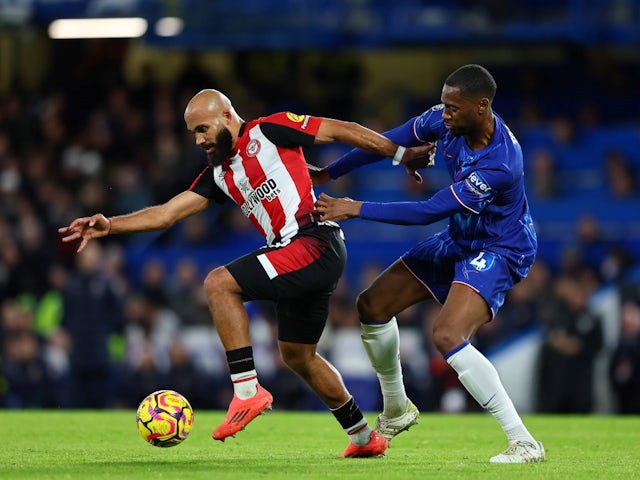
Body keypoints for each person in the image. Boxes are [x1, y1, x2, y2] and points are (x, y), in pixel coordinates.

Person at [58, 88, 435, 458]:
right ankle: (363, 436)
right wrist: (110, 225)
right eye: (193, 134)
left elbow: (340, 129)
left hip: (312, 240)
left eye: (202, 129)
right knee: (298, 356)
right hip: (296, 253)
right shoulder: (220, 174)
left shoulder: (269, 130)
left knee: (219, 283)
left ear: (226, 115)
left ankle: (246, 390)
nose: (199, 140)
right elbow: (168, 213)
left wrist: (399, 153)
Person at [313, 64, 546, 463]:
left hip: (501, 246)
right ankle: (397, 408)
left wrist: (355, 207)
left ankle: (523, 441)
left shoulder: (500, 163)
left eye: (453, 107)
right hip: (461, 237)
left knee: (447, 334)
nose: (444, 113)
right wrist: (330, 173)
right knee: (372, 306)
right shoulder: (447, 121)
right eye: (443, 105)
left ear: (481, 106)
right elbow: (384, 142)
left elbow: (427, 211)